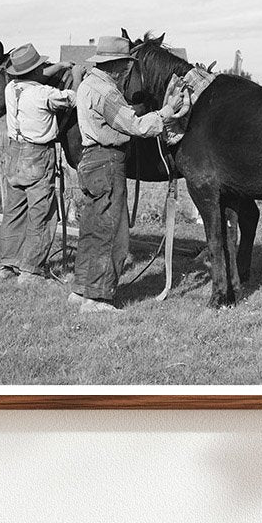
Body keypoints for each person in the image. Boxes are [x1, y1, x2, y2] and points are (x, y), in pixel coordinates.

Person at [69, 35, 188, 314]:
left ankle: (82, 289)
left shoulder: (88, 84)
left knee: (92, 228)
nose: (126, 70)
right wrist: (167, 112)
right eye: (125, 65)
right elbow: (135, 126)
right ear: (115, 65)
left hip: (90, 161)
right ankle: (98, 299)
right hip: (107, 161)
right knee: (113, 233)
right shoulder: (107, 92)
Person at [0, 43, 75, 286]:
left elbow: (37, 76)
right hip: (38, 155)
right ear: (37, 70)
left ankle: (8, 264)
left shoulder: (11, 88)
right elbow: (75, 99)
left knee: (14, 210)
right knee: (42, 213)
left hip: (15, 154)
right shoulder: (45, 95)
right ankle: (31, 270)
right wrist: (79, 76)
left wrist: (60, 66)